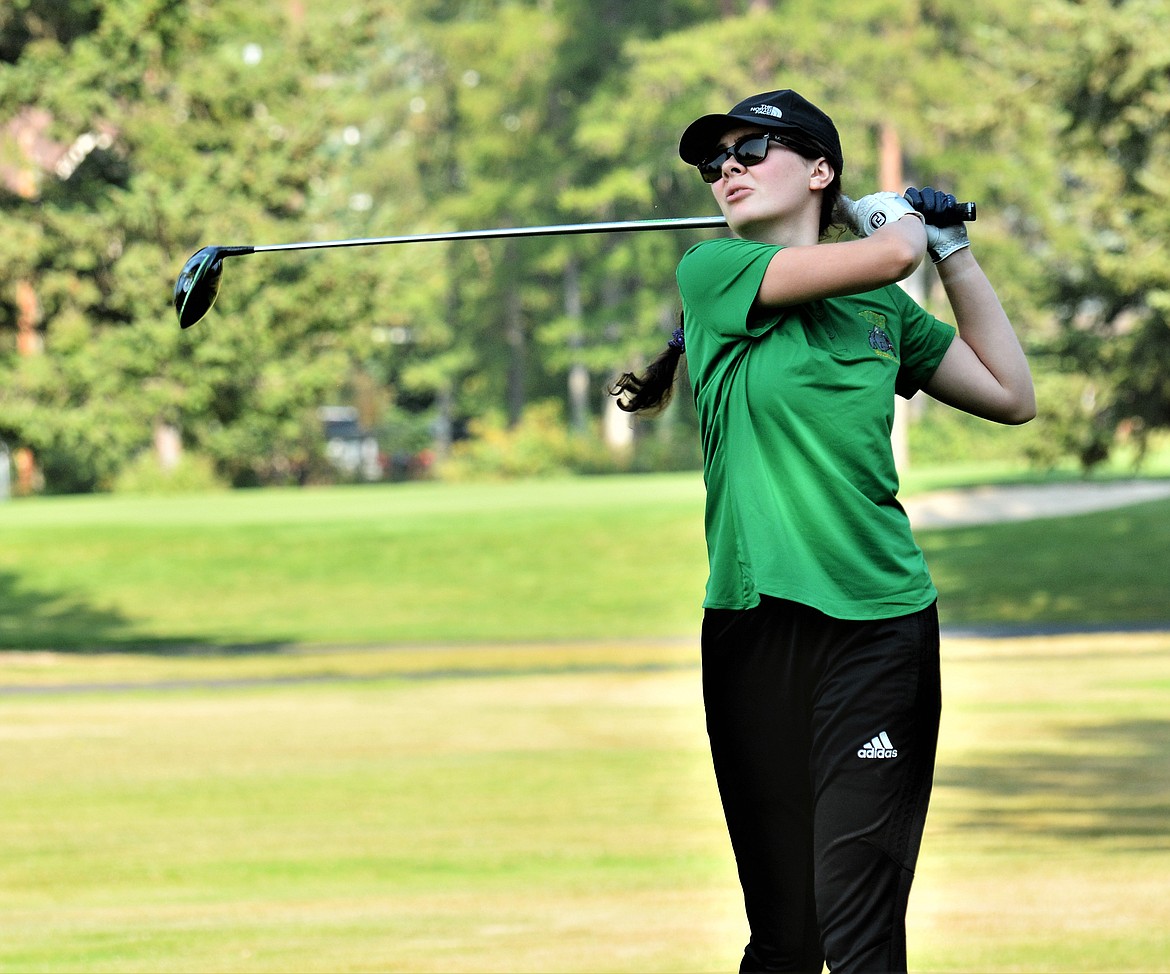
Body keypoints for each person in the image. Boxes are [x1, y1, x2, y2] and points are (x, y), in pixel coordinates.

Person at [610, 89, 1035, 973]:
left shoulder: (883, 318)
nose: (725, 168)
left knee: (859, 923)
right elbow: (883, 255)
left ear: (817, 169)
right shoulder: (712, 274)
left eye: (750, 149)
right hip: (753, 626)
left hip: (879, 630)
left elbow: (1010, 395)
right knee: (787, 936)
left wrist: (953, 253)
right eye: (712, 161)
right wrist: (893, 227)